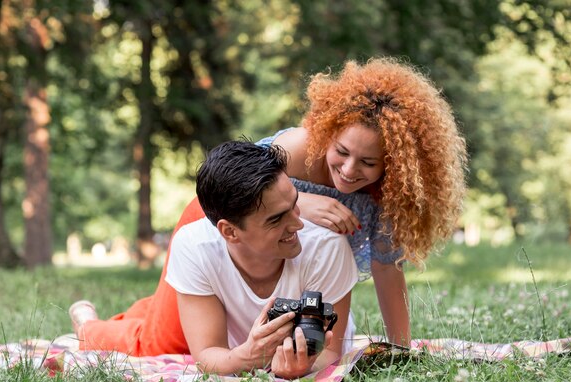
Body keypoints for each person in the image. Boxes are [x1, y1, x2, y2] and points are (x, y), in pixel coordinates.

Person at [174, 57, 467, 347]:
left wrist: (401, 347)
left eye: (368, 162)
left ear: (391, 165)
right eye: (341, 151)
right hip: (219, 235)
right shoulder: (295, 150)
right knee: (173, 341)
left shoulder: (387, 196)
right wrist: (302, 202)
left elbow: (387, 269)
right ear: (329, 134)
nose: (349, 170)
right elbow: (236, 182)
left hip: (285, 273)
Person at [70, 141, 358, 379]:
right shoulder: (195, 245)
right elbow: (207, 354)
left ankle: (145, 309)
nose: (298, 224)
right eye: (276, 219)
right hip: (217, 321)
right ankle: (87, 325)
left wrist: (301, 369)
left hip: (213, 308)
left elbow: (330, 355)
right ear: (229, 231)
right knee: (153, 342)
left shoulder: (326, 248)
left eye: (295, 204)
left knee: (157, 319)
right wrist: (245, 357)